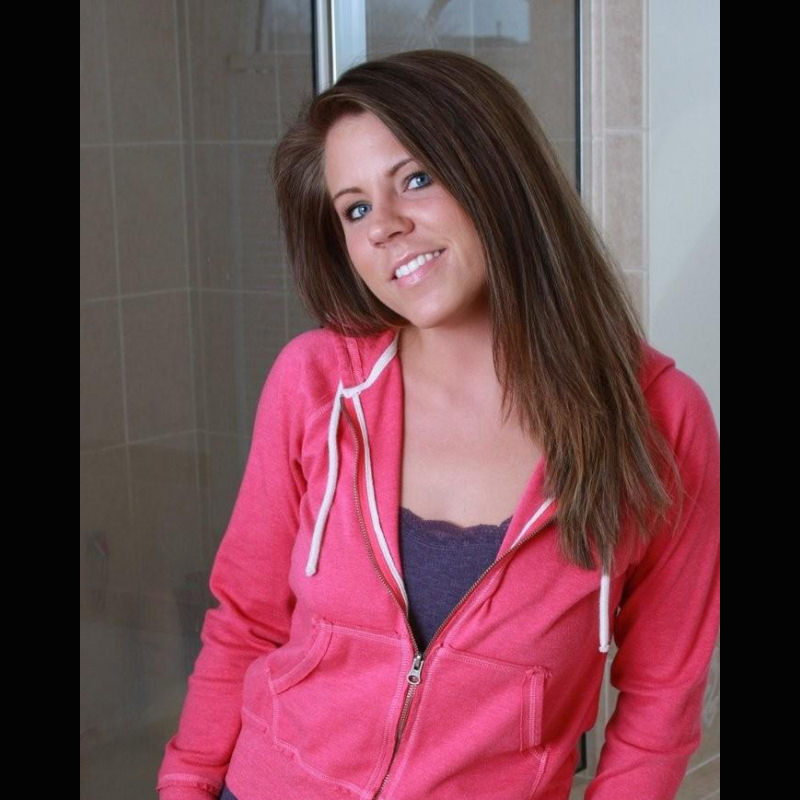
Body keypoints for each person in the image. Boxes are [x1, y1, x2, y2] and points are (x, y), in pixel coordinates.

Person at [157, 50, 720, 800]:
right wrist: (185, 785)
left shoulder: (660, 421)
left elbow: (661, 699)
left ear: (498, 174)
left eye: (416, 179)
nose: (385, 227)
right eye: (355, 209)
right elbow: (248, 624)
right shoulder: (317, 384)